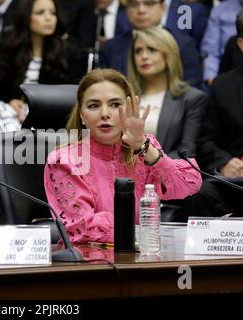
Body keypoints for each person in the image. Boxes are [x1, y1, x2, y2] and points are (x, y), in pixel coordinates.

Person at [43, 68, 202, 244]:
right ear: (81, 115)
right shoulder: (64, 160)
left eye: (115, 104)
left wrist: (142, 146)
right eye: (94, 105)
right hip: (89, 262)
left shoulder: (144, 149)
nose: (105, 113)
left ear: (130, 109)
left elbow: (188, 185)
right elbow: (81, 228)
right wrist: (142, 234)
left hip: (141, 259)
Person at [0, 0, 80, 220]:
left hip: (48, 124)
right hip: (9, 119)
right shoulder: (10, 51)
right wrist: (12, 104)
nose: (49, 18)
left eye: (52, 13)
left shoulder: (68, 53)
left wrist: (33, 110)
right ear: (27, 17)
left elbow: (70, 100)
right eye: (40, 13)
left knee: (0, 117)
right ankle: (1, 180)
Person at [193, 3, 243, 217]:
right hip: (234, 176)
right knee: (199, 193)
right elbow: (206, 141)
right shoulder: (223, 85)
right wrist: (223, 163)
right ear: (242, 44)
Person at [127, 27, 207, 158]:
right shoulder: (125, 97)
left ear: (169, 54)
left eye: (152, 49)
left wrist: (154, 165)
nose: (144, 56)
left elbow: (186, 151)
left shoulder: (192, 98)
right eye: (138, 51)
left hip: (166, 174)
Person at [100, 0, 202, 88]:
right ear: (126, 10)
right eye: (134, 4)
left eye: (148, 3)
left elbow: (192, 90)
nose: (141, 10)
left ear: (163, 8)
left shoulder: (183, 44)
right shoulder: (112, 47)